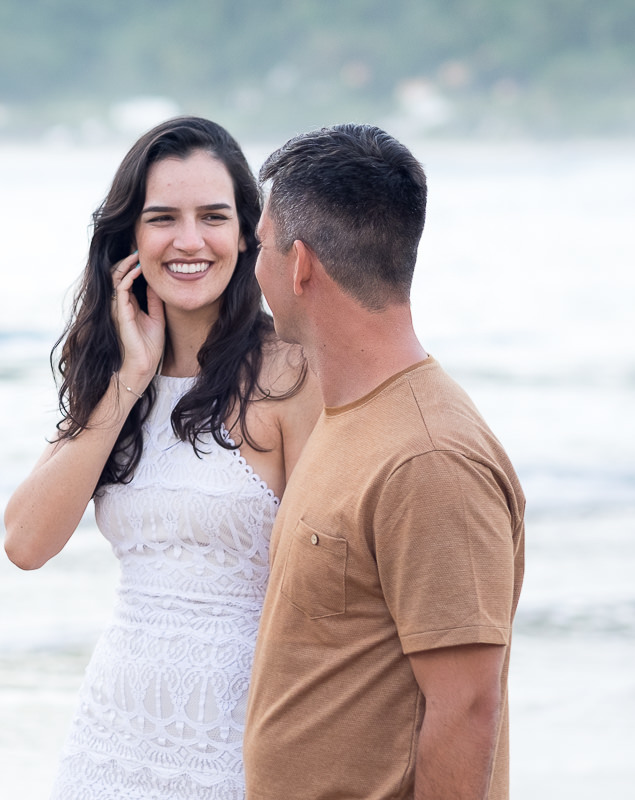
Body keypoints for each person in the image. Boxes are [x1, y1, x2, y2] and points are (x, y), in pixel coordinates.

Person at [4, 116, 321, 799]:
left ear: (247, 233)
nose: (188, 241)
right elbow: (27, 542)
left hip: (237, 745)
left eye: (213, 216)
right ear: (130, 238)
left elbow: (330, 595)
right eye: (162, 218)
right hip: (111, 743)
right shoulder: (114, 378)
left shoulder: (293, 375)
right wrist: (127, 381)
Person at [244, 123, 526, 800]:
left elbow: (465, 709)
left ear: (300, 264)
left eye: (259, 247)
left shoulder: (428, 458)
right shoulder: (347, 417)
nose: (252, 269)